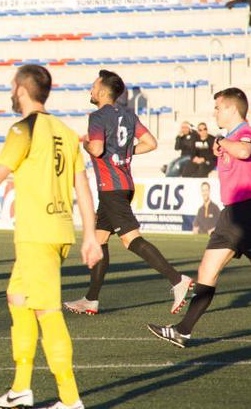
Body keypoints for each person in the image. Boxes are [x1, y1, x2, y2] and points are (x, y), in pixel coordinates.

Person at [0, 65, 101, 409]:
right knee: (18, 298)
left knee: (47, 312)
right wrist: (89, 236)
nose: (12, 93)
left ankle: (70, 400)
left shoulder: (22, 129)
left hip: (37, 234)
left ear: (22, 90)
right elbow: (82, 186)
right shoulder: (66, 132)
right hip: (56, 231)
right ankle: (21, 388)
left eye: (13, 88)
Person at [64, 70, 192, 316]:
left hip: (112, 188)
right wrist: (125, 152)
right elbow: (151, 143)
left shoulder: (98, 117)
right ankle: (91, 299)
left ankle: (178, 280)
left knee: (130, 239)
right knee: (100, 240)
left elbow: (98, 148)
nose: (90, 90)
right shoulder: (129, 115)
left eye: (93, 86)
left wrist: (84, 144)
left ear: (102, 90)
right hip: (122, 185)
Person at [149, 87, 251, 347]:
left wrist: (222, 143)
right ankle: (182, 331)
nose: (215, 112)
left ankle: (183, 330)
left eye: (219, 107)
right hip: (232, 214)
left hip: (246, 213)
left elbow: (244, 151)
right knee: (206, 272)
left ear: (233, 109)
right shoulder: (231, 136)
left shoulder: (247, 133)